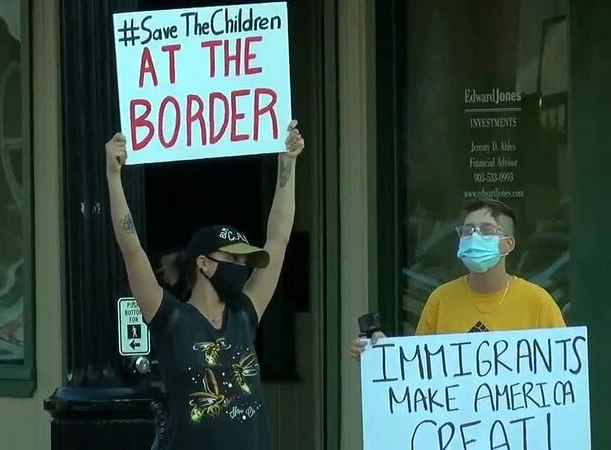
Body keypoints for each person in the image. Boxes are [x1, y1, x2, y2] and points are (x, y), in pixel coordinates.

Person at [106, 121, 304, 450]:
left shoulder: (244, 314)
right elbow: (131, 248)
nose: (242, 268)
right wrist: (114, 176)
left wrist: (288, 163)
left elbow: (278, 239)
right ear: (203, 263)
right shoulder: (171, 318)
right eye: (233, 258)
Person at [350, 198, 565, 359]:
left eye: (487, 231)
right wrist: (380, 357)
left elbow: (559, 369)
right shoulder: (441, 300)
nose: (474, 237)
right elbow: (418, 368)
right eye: (467, 231)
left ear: (508, 244)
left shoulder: (538, 303)